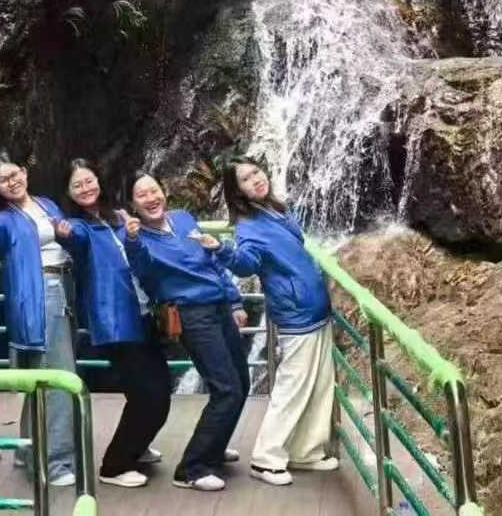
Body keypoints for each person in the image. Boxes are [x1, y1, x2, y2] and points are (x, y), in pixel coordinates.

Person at [121, 171, 248, 492]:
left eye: (154, 190)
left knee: (241, 382)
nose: (151, 198)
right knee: (226, 389)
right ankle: (192, 468)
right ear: (132, 205)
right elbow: (144, 273)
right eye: (141, 195)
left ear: (164, 191)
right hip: (192, 315)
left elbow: (212, 262)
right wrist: (132, 241)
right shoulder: (137, 239)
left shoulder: (183, 218)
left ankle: (213, 448)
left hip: (220, 307)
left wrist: (234, 301)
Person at [214, 159, 338, 487]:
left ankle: (305, 451)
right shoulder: (249, 226)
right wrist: (222, 251)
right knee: (291, 387)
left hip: (313, 307)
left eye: (256, 172)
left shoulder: (273, 210)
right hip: (297, 312)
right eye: (245, 179)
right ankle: (265, 459)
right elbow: (246, 263)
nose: (255, 179)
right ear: (237, 191)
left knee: (319, 385)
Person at [57, 159, 169, 488]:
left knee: (158, 387)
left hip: (144, 313)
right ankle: (115, 465)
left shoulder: (117, 216)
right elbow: (74, 239)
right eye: (77, 185)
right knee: (148, 394)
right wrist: (64, 235)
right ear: (68, 192)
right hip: (114, 320)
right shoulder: (78, 226)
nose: (85, 188)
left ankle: (137, 445)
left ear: (99, 181)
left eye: (89, 181)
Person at [0, 152, 78, 487]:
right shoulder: (4, 218)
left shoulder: (47, 204)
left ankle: (27, 450)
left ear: (25, 171)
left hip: (63, 287)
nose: (12, 182)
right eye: (2, 180)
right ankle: (55, 462)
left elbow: (67, 235)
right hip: (43, 293)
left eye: (14, 174)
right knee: (59, 378)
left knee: (43, 378)